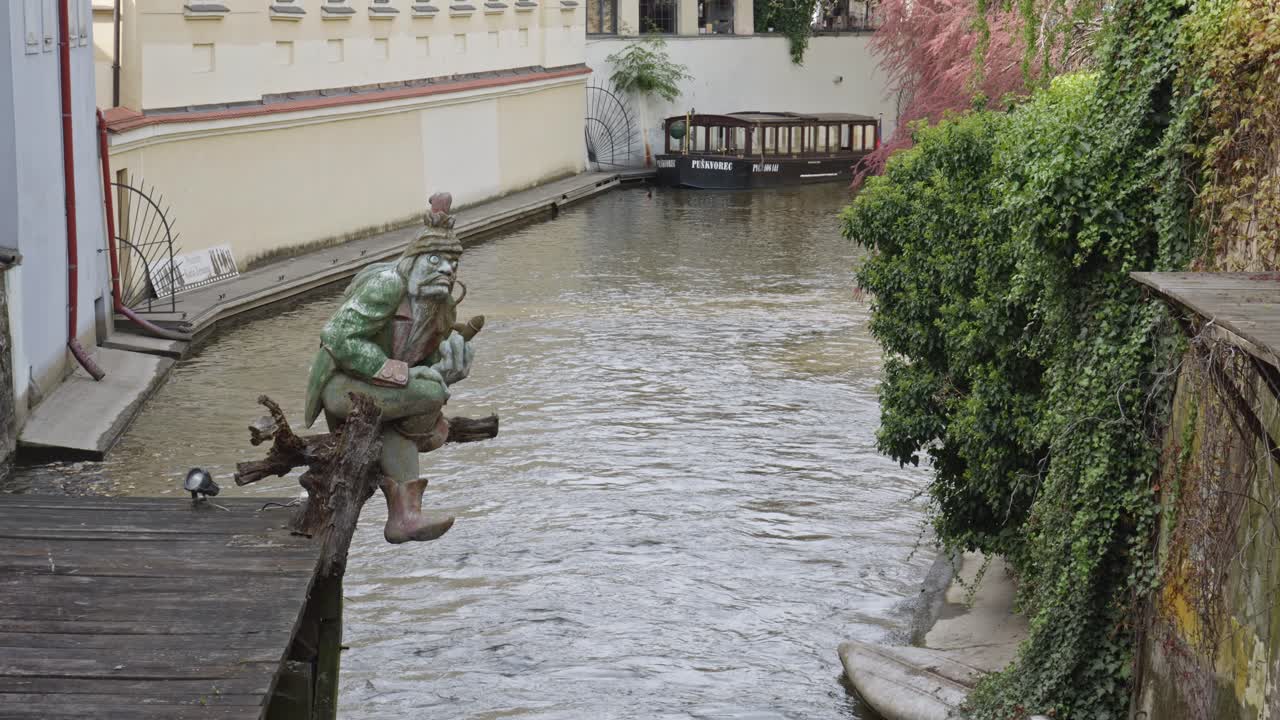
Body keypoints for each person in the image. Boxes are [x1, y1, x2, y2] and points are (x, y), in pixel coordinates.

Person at [304, 192, 474, 543]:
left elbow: (423, 362)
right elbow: (336, 336)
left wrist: (448, 368)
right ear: (413, 260)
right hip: (342, 385)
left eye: (452, 263)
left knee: (415, 403)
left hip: (383, 392)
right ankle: (423, 432)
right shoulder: (389, 284)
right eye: (434, 259)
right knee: (426, 393)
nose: (446, 269)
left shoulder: (440, 305)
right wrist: (402, 373)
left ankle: (404, 516)